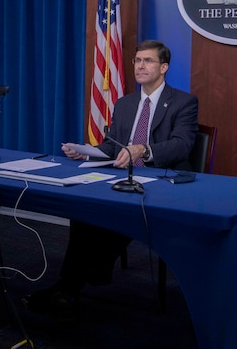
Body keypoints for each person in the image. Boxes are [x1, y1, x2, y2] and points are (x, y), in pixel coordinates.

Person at [24, 40, 198, 319]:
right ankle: (77, 281)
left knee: (117, 212)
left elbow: (182, 145)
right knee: (83, 209)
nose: (140, 66)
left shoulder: (183, 102)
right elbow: (111, 146)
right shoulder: (125, 103)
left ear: (163, 67)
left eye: (148, 61)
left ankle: (77, 282)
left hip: (160, 179)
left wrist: (146, 150)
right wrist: (86, 152)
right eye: (137, 60)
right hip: (121, 175)